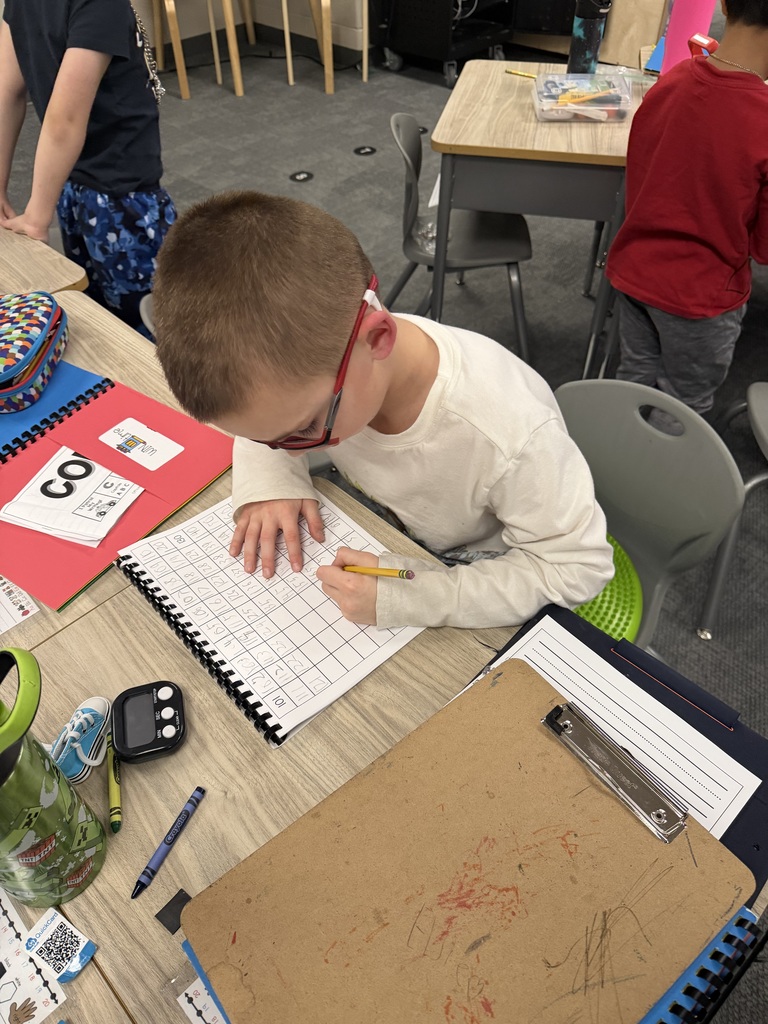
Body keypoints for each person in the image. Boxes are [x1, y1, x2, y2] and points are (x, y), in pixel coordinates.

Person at [152, 191, 613, 630]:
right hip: (391, 531)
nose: (290, 453)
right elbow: (267, 419)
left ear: (377, 338)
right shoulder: (332, 373)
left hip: (483, 563)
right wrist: (270, 481)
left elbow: (577, 568)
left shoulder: (507, 434)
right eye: (267, 440)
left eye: (304, 430)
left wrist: (423, 597)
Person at [605, 0, 768, 431]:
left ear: (725, 6)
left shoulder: (673, 79)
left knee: (633, 378)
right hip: (700, 295)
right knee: (683, 404)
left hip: (635, 271)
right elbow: (764, 247)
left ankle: (612, 461)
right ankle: (657, 474)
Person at [0, 0, 176, 336]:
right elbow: (63, 121)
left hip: (71, 186)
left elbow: (5, 92)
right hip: (124, 197)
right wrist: (37, 217)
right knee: (162, 323)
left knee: (100, 315)